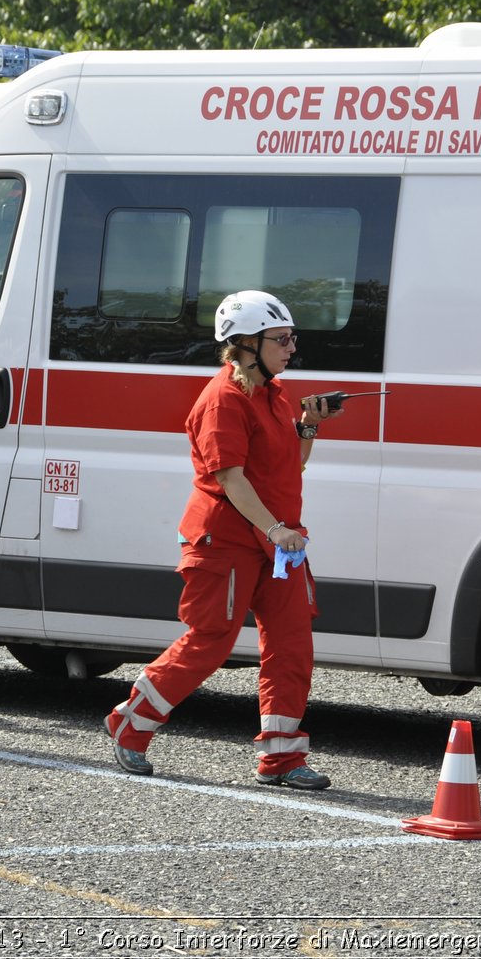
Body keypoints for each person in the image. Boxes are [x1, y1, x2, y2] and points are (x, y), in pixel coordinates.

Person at [104, 290, 341, 789]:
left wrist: (309, 428)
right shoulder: (222, 400)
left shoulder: (274, 395)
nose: (291, 347)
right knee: (211, 641)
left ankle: (282, 758)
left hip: (277, 544)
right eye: (281, 338)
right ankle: (132, 721)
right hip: (228, 541)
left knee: (292, 644)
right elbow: (232, 479)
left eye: (291, 337)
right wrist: (275, 529)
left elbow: (288, 467)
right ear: (245, 344)